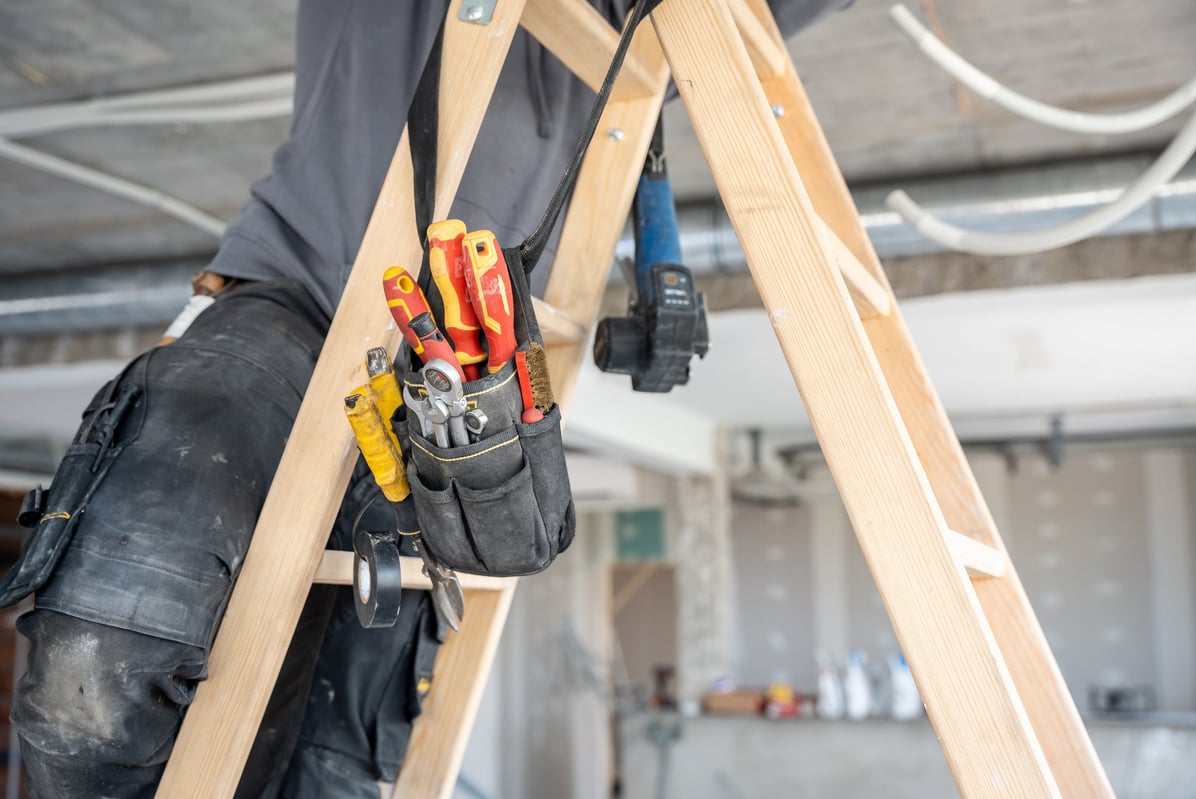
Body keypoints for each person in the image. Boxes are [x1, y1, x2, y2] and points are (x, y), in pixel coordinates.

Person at [2, 0, 851, 796]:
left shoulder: (625, 17)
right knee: (94, 670)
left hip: (457, 373)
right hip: (291, 293)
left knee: (336, 765)